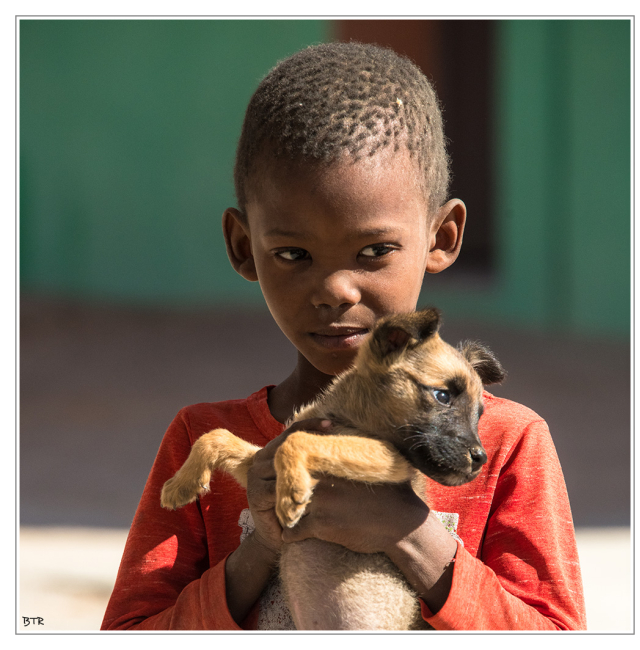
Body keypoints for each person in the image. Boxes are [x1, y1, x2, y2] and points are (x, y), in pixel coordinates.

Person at [101, 42, 586, 631]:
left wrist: (404, 532)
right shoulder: (201, 440)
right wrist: (263, 544)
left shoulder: (505, 443)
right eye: (292, 253)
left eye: (374, 251)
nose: (335, 289)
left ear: (442, 236)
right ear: (241, 246)